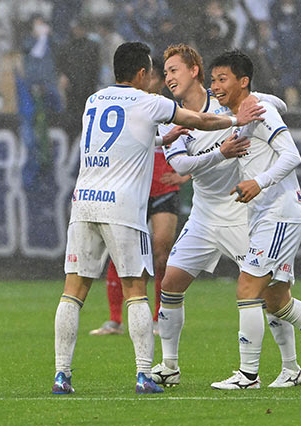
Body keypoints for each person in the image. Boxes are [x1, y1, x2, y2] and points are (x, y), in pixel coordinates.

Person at [52, 41, 265, 395]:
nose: (157, 78)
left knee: (73, 292)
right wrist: (235, 120)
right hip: (121, 207)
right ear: (141, 73)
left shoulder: (94, 100)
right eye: (152, 71)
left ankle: (62, 375)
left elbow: (122, 139)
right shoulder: (149, 102)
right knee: (137, 291)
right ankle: (143, 375)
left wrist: (163, 139)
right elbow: (200, 119)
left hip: (84, 203)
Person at [207, 50, 301, 391]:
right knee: (276, 301)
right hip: (267, 213)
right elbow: (276, 102)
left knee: (247, 287)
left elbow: (292, 155)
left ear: (243, 81)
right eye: (213, 79)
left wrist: (258, 182)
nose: (215, 86)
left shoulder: (260, 113)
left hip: (278, 213)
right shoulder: (243, 112)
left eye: (222, 79)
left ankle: (248, 375)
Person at [150, 44, 301, 389]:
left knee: (271, 293)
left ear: (194, 70)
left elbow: (277, 105)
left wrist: (258, 103)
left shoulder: (224, 99)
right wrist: (221, 153)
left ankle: (291, 366)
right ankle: (169, 365)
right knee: (171, 282)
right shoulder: (173, 117)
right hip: (204, 215)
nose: (168, 77)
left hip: (239, 210)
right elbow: (181, 165)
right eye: (166, 72)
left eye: (174, 70)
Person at [88, 58, 189, 337]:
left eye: (158, 76)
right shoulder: (129, 108)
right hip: (134, 189)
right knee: (120, 250)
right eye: (152, 76)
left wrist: (185, 175)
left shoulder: (169, 109)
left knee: (162, 251)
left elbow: (197, 142)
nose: (152, 81)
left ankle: (158, 317)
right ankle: (115, 319)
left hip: (163, 189)